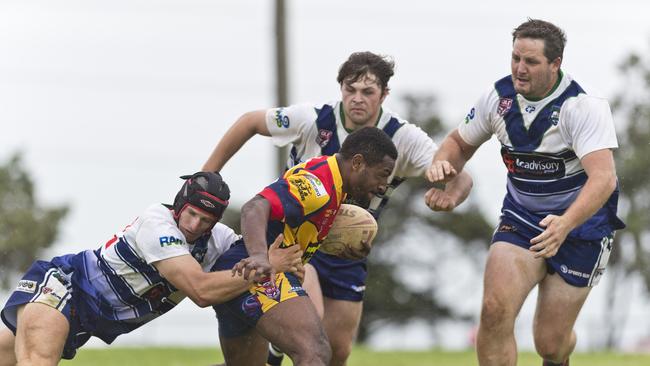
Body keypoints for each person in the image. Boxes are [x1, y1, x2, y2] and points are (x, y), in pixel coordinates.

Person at [203, 51, 473, 366]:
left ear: (384, 94)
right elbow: (249, 123)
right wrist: (207, 174)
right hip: (298, 243)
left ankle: (278, 346)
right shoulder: (314, 121)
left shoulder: (403, 138)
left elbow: (461, 176)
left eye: (367, 92)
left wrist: (450, 196)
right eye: (350, 89)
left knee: (337, 350)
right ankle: (278, 350)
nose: (357, 98)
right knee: (310, 330)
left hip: (347, 248)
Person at [427, 19, 626, 366]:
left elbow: (603, 179)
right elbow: (459, 142)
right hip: (521, 218)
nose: (520, 69)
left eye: (531, 61)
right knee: (493, 310)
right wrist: (444, 165)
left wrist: (564, 225)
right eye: (515, 58)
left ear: (555, 63)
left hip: (582, 227)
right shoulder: (496, 97)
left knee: (549, 343)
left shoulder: (582, 106)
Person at [0, 171, 302, 365]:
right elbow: (200, 291)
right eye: (192, 214)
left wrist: (287, 264)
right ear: (179, 205)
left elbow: (248, 260)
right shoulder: (157, 223)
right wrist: (268, 265)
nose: (195, 226)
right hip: (67, 287)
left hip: (91, 320)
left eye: (206, 221)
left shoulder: (219, 240)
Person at [210, 126, 398, 366]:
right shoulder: (318, 186)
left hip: (242, 269)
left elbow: (292, 224)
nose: (383, 186)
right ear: (358, 163)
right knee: (315, 351)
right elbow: (254, 207)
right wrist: (259, 257)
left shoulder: (330, 180)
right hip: (257, 271)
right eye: (382, 174)